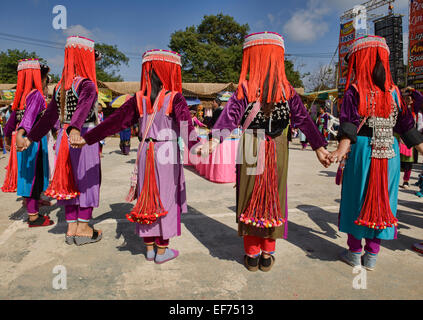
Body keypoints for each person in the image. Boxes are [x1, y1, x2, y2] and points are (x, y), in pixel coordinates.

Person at [204, 32, 330, 272]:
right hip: (279, 147)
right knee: (274, 197)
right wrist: (319, 148)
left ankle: (251, 255)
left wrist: (211, 142)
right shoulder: (287, 90)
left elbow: (229, 118)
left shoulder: (246, 89)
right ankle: (266, 254)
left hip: (251, 144)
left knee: (249, 197)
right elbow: (304, 120)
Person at [74, 49, 199, 264]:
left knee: (146, 199)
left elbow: (113, 122)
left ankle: (149, 248)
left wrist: (88, 138)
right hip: (165, 155)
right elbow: (186, 125)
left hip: (144, 154)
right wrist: (196, 146)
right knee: (165, 200)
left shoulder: (138, 99)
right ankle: (162, 251)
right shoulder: (174, 98)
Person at [330, 36, 423, 271]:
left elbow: (348, 125)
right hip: (389, 153)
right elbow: (407, 127)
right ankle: (372, 256)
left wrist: (340, 150)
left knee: (356, 199)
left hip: (361, 151)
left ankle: (353, 252)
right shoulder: (395, 93)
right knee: (383, 201)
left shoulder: (354, 91)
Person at [25, 36, 103, 246]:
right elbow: (83, 108)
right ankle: (83, 228)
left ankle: (71, 228)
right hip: (82, 138)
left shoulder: (61, 86)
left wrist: (31, 137)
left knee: (69, 183)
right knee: (87, 182)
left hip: (63, 139)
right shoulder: (87, 85)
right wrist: (76, 128)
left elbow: (50, 117)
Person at [3, 59, 53, 227]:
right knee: (35, 176)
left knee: (26, 174)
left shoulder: (22, 96)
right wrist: (23, 133)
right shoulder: (36, 95)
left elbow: (11, 121)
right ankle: (33, 216)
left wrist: (8, 138)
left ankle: (33, 202)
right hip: (32, 141)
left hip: (20, 140)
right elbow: (29, 117)